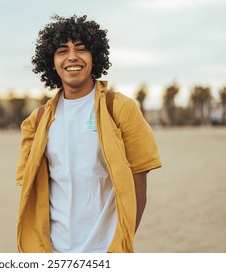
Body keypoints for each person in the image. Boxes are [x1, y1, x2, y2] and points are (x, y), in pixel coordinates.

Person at [15, 15, 161, 253]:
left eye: (81, 49)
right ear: (52, 62)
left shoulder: (121, 109)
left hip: (105, 251)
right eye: (62, 51)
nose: (72, 57)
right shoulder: (37, 121)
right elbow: (31, 189)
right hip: (52, 251)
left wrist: (121, 243)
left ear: (95, 57)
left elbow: (139, 178)